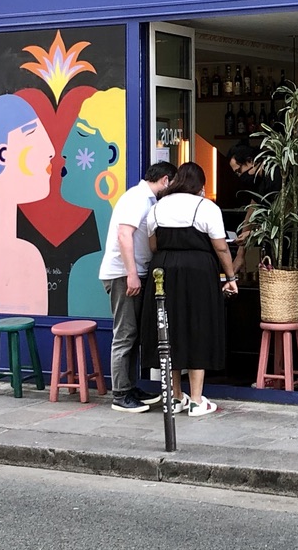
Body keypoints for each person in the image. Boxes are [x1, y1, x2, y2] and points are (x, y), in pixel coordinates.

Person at [141, 162, 238, 417]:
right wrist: (231, 276)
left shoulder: (158, 207)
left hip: (162, 269)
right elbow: (220, 247)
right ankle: (196, 400)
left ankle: (174, 397)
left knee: (168, 331)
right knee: (198, 328)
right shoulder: (206, 207)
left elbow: (152, 245)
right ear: (200, 185)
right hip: (198, 271)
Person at [98, 160, 177, 413]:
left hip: (133, 273)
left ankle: (129, 387)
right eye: (172, 184)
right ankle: (120, 394)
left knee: (132, 335)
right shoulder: (137, 198)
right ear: (165, 180)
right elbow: (124, 234)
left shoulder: (147, 199)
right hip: (124, 275)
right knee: (125, 333)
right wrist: (132, 273)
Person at [60, 88, 126, 318]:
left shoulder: (88, 269)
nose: (65, 150)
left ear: (111, 154)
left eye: (81, 135)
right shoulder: (87, 266)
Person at [0, 94, 55, 315]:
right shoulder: (27, 258)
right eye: (31, 133)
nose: (51, 150)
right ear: (3, 154)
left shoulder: (26, 256)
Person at [227, 141, 280, 273]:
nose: (240, 176)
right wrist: (240, 255)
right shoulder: (258, 181)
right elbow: (252, 211)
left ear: (250, 161)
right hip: (270, 242)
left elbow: (282, 214)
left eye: (239, 171)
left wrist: (252, 234)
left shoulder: (276, 175)